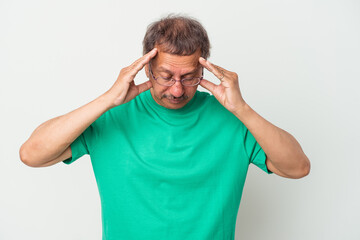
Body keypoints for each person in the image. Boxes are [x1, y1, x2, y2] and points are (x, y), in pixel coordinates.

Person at [20, 14, 310, 240]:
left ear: (203, 70)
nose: (177, 90)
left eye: (189, 77)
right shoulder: (113, 115)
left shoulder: (232, 119)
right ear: (147, 68)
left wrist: (242, 109)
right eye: (166, 75)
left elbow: (297, 167)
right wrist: (108, 99)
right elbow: (33, 154)